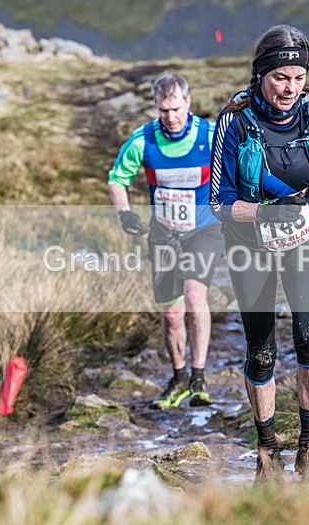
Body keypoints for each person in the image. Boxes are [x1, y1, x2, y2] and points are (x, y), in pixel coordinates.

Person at [210, 25, 309, 487]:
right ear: (260, 75)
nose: (290, 88)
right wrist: (266, 212)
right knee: (261, 350)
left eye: (298, 77)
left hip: (305, 240)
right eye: (280, 78)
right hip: (250, 243)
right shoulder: (233, 121)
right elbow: (218, 202)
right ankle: (267, 455)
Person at [108, 74, 223, 409]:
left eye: (175, 109)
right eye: (163, 111)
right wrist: (125, 213)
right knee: (172, 314)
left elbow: (239, 170)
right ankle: (179, 377)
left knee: (194, 294)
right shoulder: (144, 140)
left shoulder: (211, 135)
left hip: (203, 229)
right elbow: (117, 179)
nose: (170, 117)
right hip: (163, 233)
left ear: (188, 102)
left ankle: (200, 377)